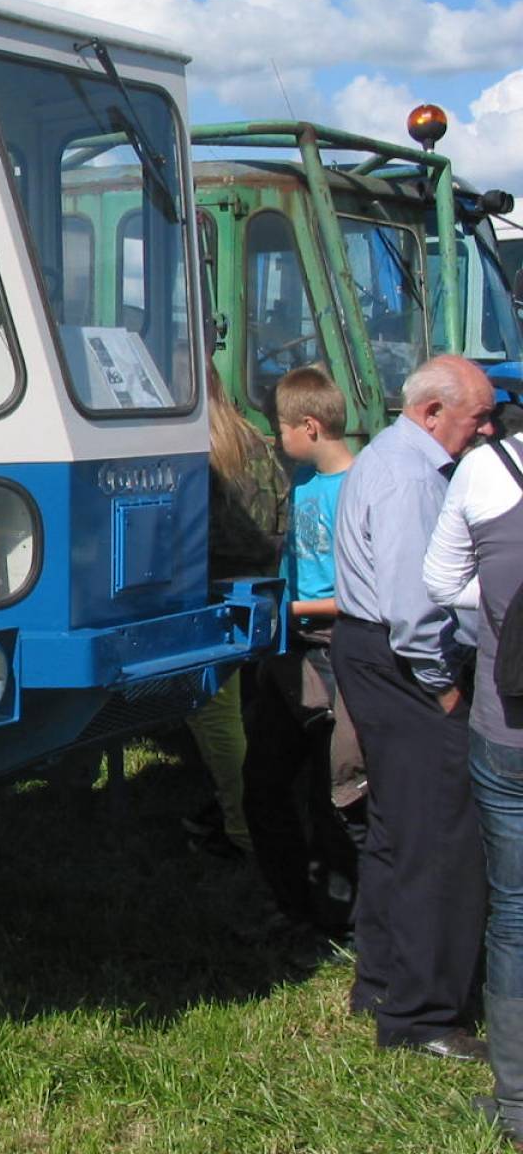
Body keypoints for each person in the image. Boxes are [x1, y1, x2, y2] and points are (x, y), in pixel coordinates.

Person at [334, 354, 493, 1060]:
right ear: (432, 414)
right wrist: (441, 681)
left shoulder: (393, 459)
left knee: (399, 825)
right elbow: (415, 602)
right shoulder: (410, 477)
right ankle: (424, 1017)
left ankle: (383, 981)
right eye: (477, 418)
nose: (486, 430)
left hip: (374, 651)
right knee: (440, 837)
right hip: (403, 661)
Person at [242, 365, 364, 942]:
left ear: (310, 426)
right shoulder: (303, 480)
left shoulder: (359, 489)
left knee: (330, 794)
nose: (276, 438)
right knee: (263, 783)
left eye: (281, 428)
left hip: (332, 650)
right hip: (289, 647)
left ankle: (334, 914)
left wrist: (287, 611)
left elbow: (361, 593)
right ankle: (291, 901)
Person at [428, 403, 523, 1140]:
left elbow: (439, 583)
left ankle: (518, 1104)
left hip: (509, 723)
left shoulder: (489, 469)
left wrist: (498, 601)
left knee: (515, 917)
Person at [185, 365, 288, 859]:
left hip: (210, 595)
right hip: (263, 589)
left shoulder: (191, 451)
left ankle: (243, 828)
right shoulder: (255, 439)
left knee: (215, 718)